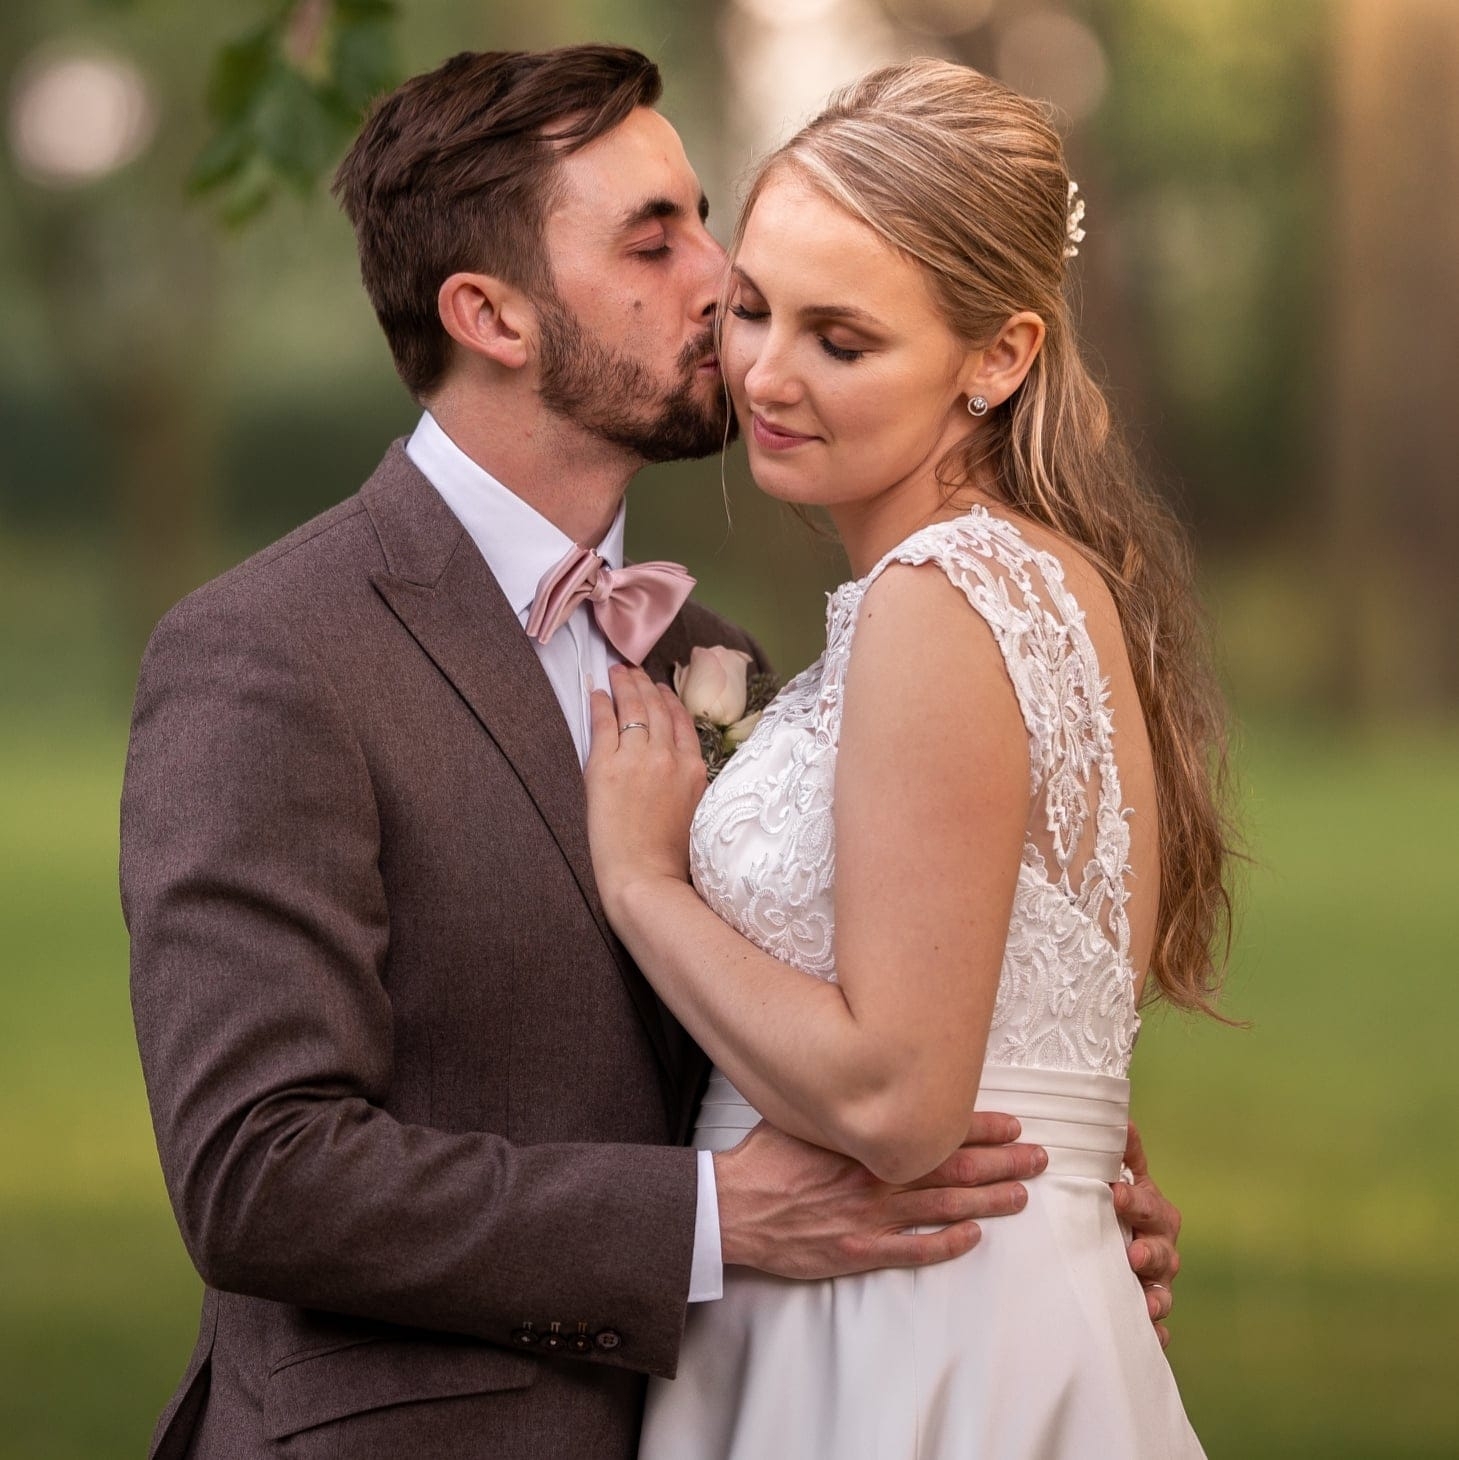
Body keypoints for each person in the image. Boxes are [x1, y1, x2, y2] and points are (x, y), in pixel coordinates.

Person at [121, 46, 1183, 1460]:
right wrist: (709, 1221)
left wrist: (1048, 1180)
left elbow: (851, 1007)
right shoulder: (269, 652)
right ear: (490, 314)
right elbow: (258, 1174)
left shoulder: (716, 656)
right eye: (654, 239)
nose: (720, 281)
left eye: (704, 217)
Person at [583, 59, 1233, 1459]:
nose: (766, 374)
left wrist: (644, 884)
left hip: (901, 1329)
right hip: (968, 1287)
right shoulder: (1035, 580)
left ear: (997, 357)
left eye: (842, 340)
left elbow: (895, 1100)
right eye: (754, 308)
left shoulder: (941, 596)